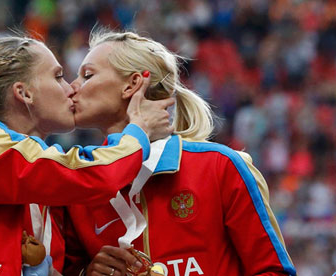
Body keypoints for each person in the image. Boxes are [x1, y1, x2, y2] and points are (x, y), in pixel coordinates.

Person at [0, 35, 174, 276]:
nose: (71, 88)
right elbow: (93, 174)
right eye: (58, 76)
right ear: (24, 93)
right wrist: (138, 130)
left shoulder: (33, 169)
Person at [64, 30, 297, 276]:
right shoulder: (80, 185)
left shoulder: (220, 167)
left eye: (87, 75)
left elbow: (272, 271)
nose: (71, 88)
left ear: (132, 85)